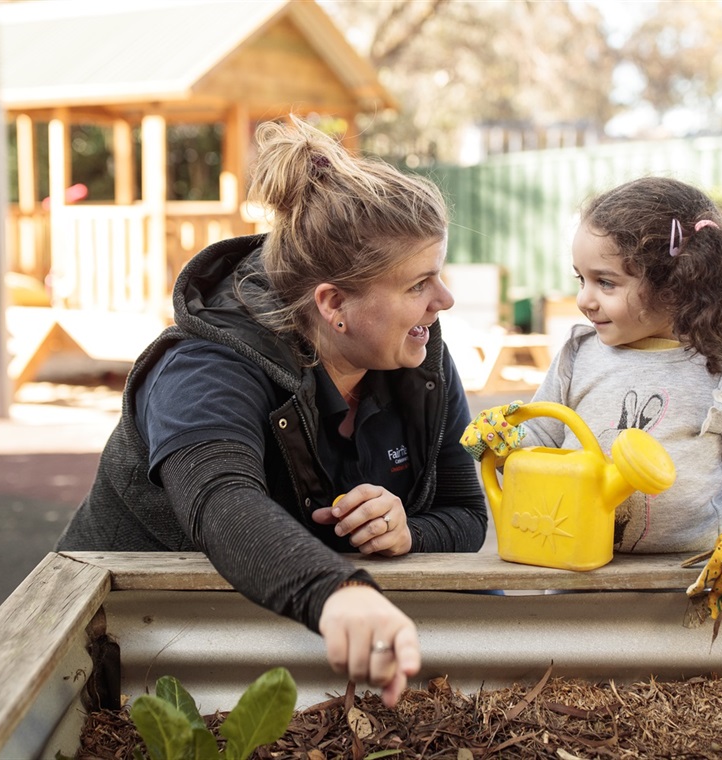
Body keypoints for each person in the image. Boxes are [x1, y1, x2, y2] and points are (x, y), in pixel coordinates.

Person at [56, 116, 488, 707]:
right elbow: (221, 501)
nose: (444, 300)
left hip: (298, 646)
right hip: (132, 645)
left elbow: (465, 511)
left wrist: (411, 530)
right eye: (419, 284)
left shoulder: (417, 354)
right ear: (334, 304)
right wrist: (337, 593)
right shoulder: (203, 368)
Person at [462, 176, 722, 625]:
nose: (584, 299)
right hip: (570, 575)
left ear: (676, 285)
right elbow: (541, 437)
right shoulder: (578, 355)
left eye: (605, 283)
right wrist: (505, 440)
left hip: (681, 583)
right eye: (581, 279)